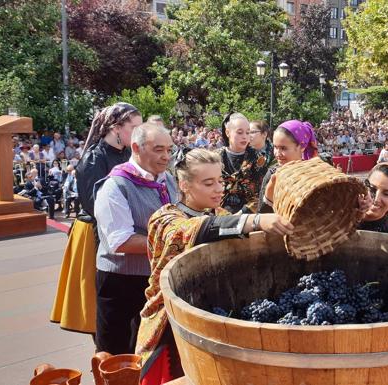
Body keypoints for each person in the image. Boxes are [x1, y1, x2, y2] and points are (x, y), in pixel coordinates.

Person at [136, 148, 294, 385]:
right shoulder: (165, 218)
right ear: (184, 185)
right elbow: (193, 230)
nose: (219, 188)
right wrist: (256, 220)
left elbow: (238, 229)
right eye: (208, 183)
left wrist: (268, 203)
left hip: (211, 322)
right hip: (171, 327)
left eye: (220, 181)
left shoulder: (219, 213)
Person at [51, 102, 142, 336]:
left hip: (123, 229)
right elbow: (96, 206)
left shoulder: (128, 154)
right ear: (115, 127)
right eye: (134, 127)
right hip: (96, 233)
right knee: (100, 298)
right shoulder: (94, 158)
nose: (138, 133)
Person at [94, 123, 178, 355]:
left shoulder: (167, 179)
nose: (166, 157)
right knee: (117, 354)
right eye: (159, 149)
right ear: (136, 148)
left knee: (149, 353)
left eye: (169, 150)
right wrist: (174, 240)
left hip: (154, 279)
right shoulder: (115, 186)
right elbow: (121, 242)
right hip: (121, 282)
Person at [257, 120, 319, 213]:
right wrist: (268, 197)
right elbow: (261, 215)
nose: (277, 154)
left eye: (283, 148)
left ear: (302, 147)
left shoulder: (313, 174)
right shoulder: (273, 174)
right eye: (275, 147)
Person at [218, 113, 269, 213]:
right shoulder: (215, 157)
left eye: (248, 132)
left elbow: (262, 193)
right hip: (217, 214)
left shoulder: (258, 159)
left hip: (248, 216)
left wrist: (241, 214)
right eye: (240, 132)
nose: (245, 137)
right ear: (228, 132)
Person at [358, 162, 388, 234]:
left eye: (386, 194)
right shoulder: (344, 209)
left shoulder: (387, 235)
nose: (376, 199)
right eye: (372, 189)